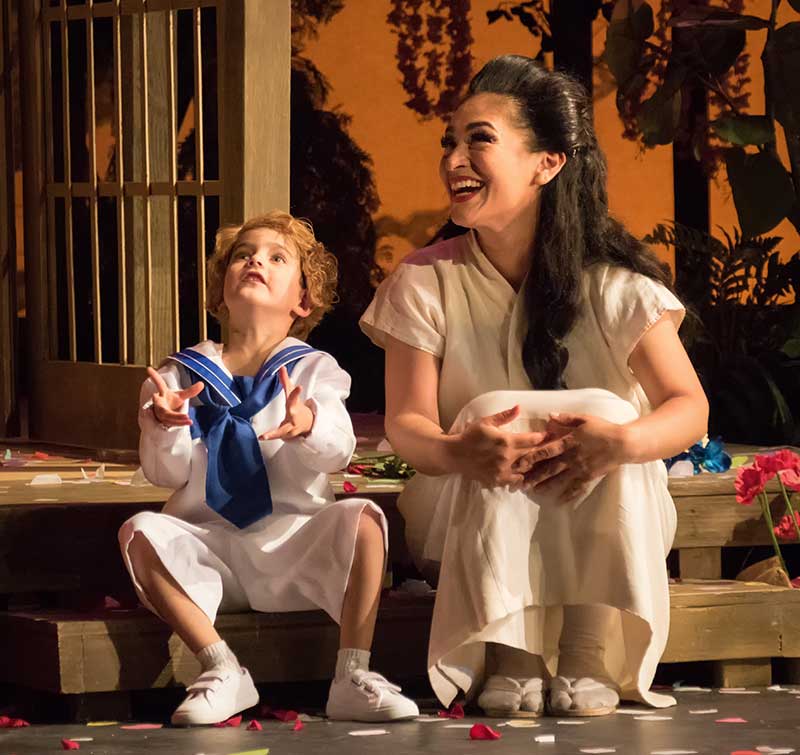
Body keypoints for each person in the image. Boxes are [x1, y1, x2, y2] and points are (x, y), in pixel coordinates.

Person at [360, 55, 709, 718]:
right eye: (450, 142)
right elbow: (407, 423)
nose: (454, 159)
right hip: (457, 510)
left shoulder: (614, 284)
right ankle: (511, 649)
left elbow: (689, 408)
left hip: (613, 510)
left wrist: (620, 440)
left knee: (608, 414)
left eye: (479, 140)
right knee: (493, 412)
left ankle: (585, 647)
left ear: (547, 162)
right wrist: (462, 449)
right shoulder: (423, 282)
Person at [119, 210, 418, 725]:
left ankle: (352, 674)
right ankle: (220, 667)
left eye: (277, 258)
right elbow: (166, 476)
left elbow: (337, 452)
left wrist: (308, 422)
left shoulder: (313, 369)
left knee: (365, 519)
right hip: (208, 545)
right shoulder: (177, 375)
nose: (256, 260)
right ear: (220, 291)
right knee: (139, 531)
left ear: (302, 300)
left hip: (291, 544)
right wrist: (166, 423)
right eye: (244, 255)